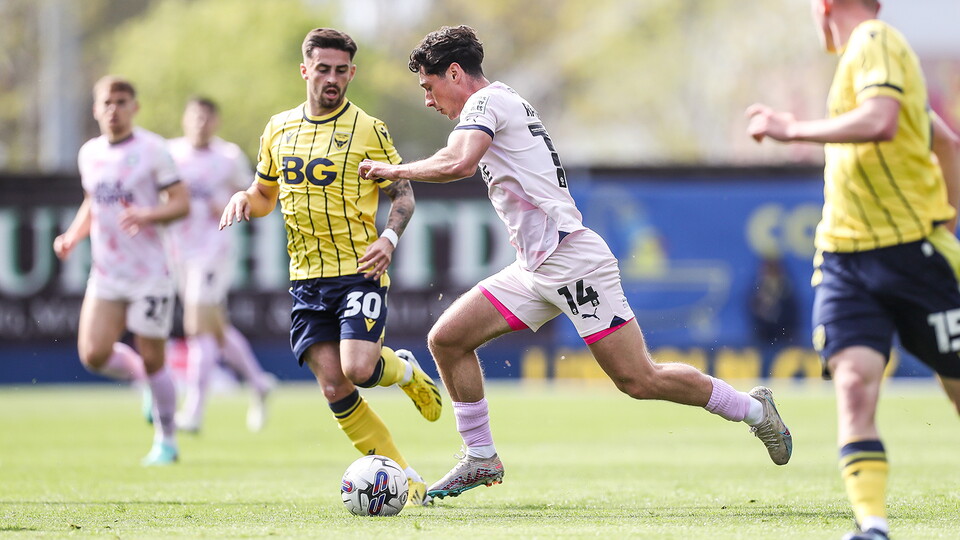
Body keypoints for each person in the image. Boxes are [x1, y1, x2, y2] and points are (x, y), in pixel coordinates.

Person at [358, 25, 793, 501]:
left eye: (429, 86)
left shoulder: (486, 103)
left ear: (456, 73)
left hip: (572, 262)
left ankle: (754, 410)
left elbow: (458, 163)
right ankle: (480, 456)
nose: (427, 100)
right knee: (446, 339)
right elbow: (459, 155)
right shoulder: (499, 103)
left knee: (638, 379)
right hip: (533, 269)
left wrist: (395, 169)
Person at [745, 2, 960, 539]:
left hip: (910, 253)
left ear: (825, 4)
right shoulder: (865, 58)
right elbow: (946, 143)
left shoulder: (873, 40)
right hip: (845, 259)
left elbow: (882, 122)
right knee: (855, 383)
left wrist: (791, 129)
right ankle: (873, 526)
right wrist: (948, 218)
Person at [219, 28, 439, 507]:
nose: (332, 79)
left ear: (352, 73)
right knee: (334, 385)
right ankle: (406, 476)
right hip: (305, 279)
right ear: (306, 70)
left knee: (357, 368)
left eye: (341, 70)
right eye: (323, 69)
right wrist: (244, 198)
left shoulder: (369, 129)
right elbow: (265, 195)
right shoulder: (278, 129)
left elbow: (403, 194)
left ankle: (402, 371)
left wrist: (389, 238)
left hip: (359, 271)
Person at [53, 75, 190, 466]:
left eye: (121, 102)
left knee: (153, 358)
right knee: (93, 354)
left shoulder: (153, 150)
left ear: (135, 107)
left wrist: (148, 213)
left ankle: (167, 441)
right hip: (107, 273)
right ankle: (142, 382)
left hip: (150, 273)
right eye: (107, 103)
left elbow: (181, 202)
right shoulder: (89, 153)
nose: (114, 109)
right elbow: (92, 203)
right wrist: (72, 236)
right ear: (96, 109)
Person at [167, 97, 276, 434]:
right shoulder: (171, 153)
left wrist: (233, 202)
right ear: (185, 119)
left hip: (213, 251)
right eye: (195, 117)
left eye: (206, 118)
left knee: (197, 327)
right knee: (214, 328)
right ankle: (259, 382)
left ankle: (194, 411)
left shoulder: (227, 157)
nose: (200, 123)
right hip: (179, 252)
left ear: (215, 122)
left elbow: (255, 193)